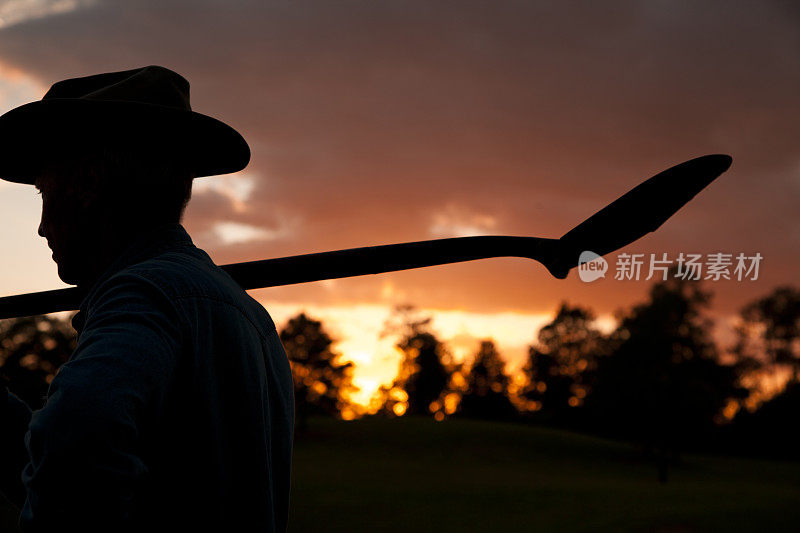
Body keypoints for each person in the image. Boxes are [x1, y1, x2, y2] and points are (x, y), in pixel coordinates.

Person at [0, 66, 294, 531]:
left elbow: (76, 443)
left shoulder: (142, 294)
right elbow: (64, 467)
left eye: (44, 193)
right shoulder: (249, 316)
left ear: (89, 183)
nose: (40, 226)